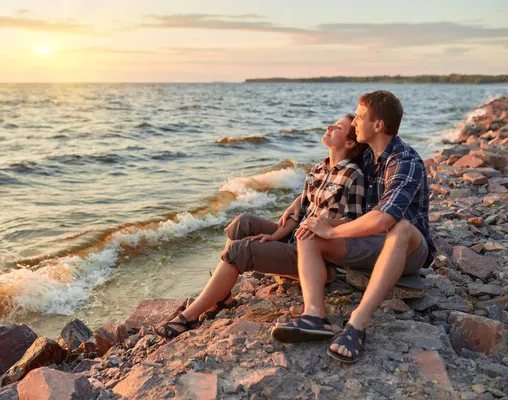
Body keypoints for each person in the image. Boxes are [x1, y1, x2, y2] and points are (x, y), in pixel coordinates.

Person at [153, 114, 368, 338]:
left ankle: (188, 318)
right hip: (293, 237)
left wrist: (322, 225)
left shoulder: (353, 175)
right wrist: (276, 235)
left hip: (314, 255)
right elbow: (300, 212)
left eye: (338, 127)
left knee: (240, 250)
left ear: (350, 142)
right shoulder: (318, 169)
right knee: (242, 223)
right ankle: (223, 297)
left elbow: (353, 224)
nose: (329, 126)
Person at [272, 90, 435, 364]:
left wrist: (333, 231)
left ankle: (357, 323)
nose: (355, 122)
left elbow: (384, 218)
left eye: (359, 117)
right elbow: (331, 177)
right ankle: (314, 316)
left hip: (408, 250)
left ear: (378, 125)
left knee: (400, 228)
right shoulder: (368, 157)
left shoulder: (405, 161)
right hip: (369, 243)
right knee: (310, 229)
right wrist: (299, 202)